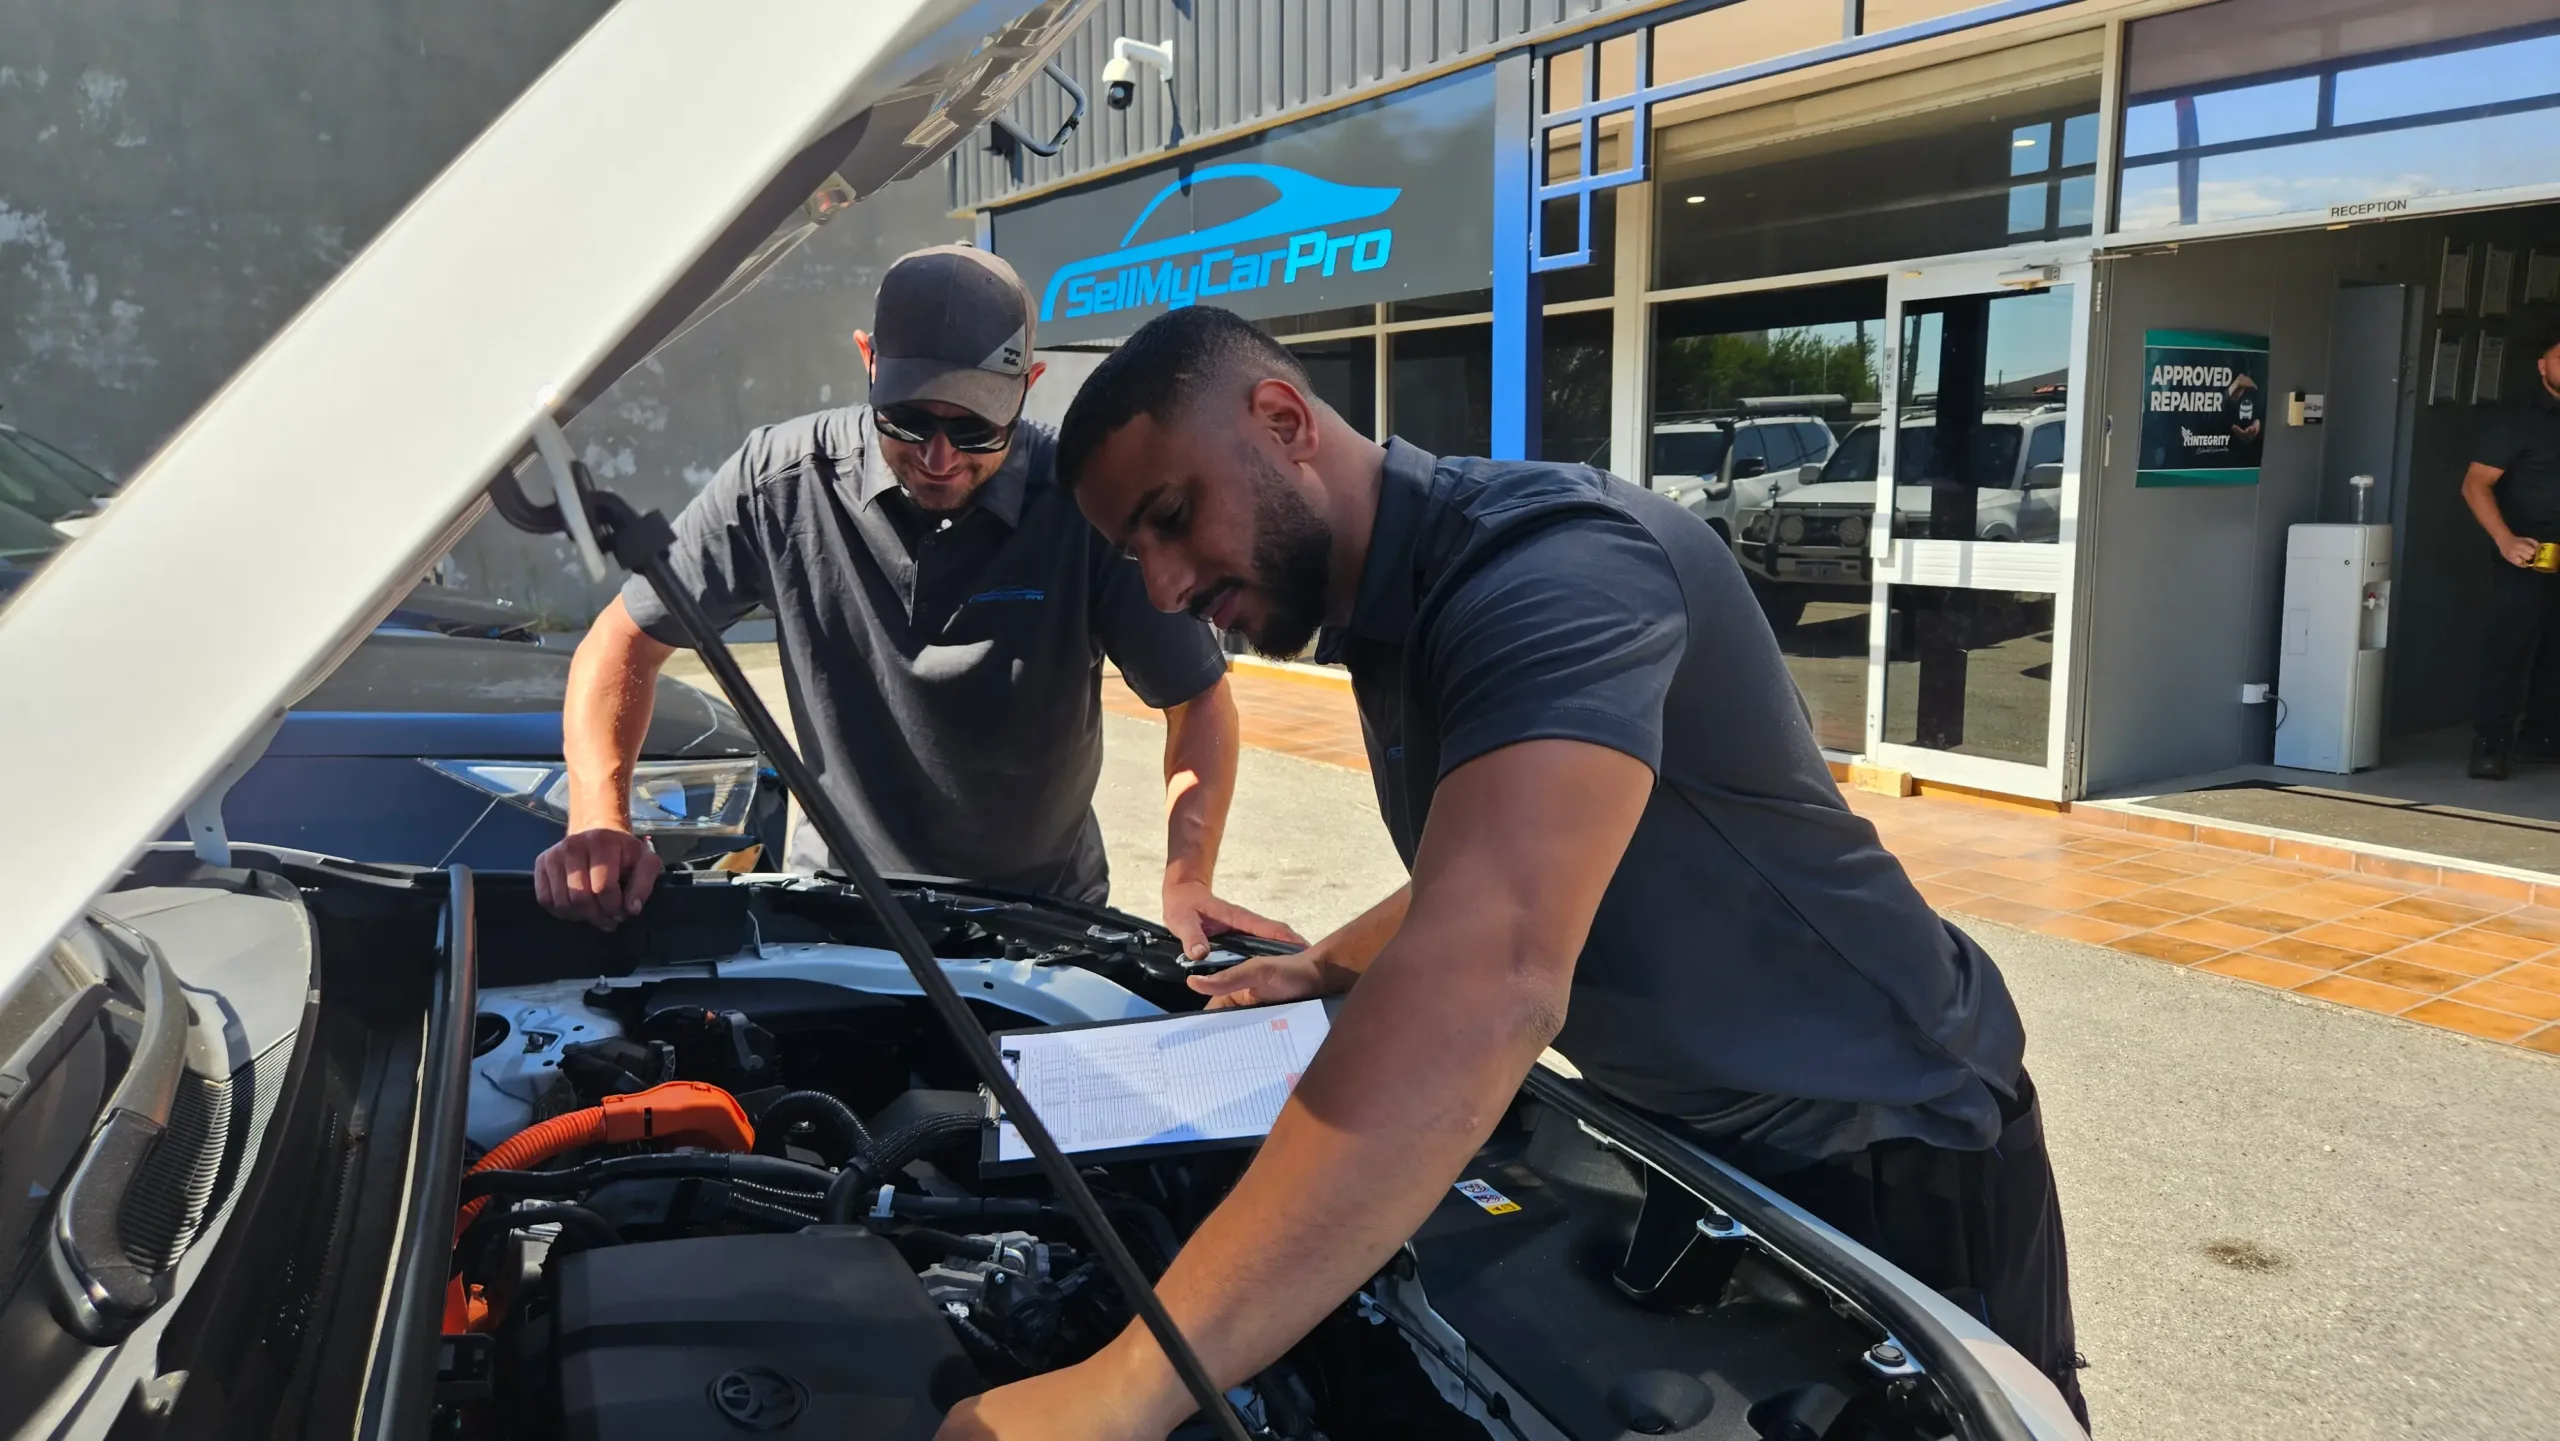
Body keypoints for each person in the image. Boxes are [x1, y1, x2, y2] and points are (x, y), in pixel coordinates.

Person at [936, 306, 2085, 1438]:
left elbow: (1488, 978)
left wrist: (1125, 1389)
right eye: (1133, 553)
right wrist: (1323, 966)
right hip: (1690, 1140)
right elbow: (1487, 864)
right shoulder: (1389, 606)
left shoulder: (1553, 570)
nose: (1162, 587)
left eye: (1172, 518)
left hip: (1883, 1139)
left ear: (1284, 421)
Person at [534, 247, 1295, 958]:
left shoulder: (1081, 502)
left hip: (1042, 918)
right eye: (909, 418)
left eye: (975, 427)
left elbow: (1197, 697)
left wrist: (1188, 875)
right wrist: (600, 816)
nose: (940, 457)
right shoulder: (779, 486)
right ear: (868, 362)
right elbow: (622, 640)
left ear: (1028, 385)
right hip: (839, 910)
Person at [2462, 320, 2560, 780]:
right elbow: (2475, 485)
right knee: (2510, 648)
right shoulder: (2519, 417)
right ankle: (2491, 743)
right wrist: (2504, 539)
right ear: (2543, 365)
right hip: (2528, 553)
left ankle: (2542, 738)